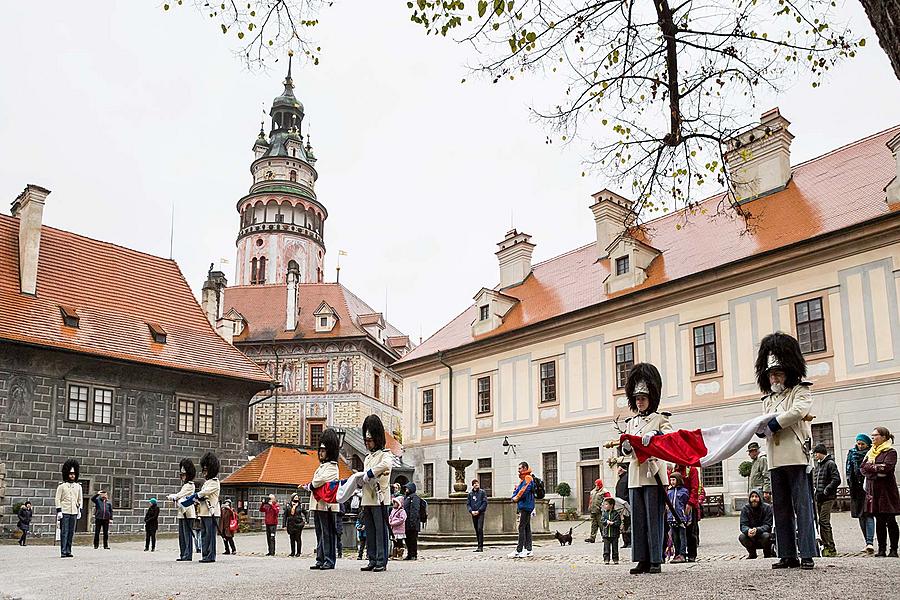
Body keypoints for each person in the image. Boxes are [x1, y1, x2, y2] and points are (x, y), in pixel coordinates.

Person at [755, 332, 816, 570]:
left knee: (802, 507)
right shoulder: (767, 399)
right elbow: (762, 421)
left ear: (788, 373)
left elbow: (798, 411)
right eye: (771, 374)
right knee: (780, 510)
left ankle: (808, 553)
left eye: (778, 373)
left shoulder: (799, 391)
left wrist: (773, 424)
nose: (774, 377)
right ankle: (787, 553)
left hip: (795, 454)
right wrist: (761, 429)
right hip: (774, 458)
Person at [620, 363, 672, 575]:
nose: (639, 402)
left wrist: (656, 436)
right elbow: (629, 451)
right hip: (635, 474)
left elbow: (669, 440)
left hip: (653, 473)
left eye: (643, 398)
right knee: (638, 519)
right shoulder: (631, 422)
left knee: (654, 518)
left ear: (651, 398)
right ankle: (641, 558)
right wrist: (625, 447)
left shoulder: (661, 419)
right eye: (637, 399)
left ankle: (655, 559)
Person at [360, 415, 393, 572]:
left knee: (380, 531)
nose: (368, 443)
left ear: (377, 439)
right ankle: (372, 559)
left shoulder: (384, 454)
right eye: (366, 441)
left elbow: (386, 465)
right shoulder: (367, 457)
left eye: (370, 440)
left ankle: (381, 560)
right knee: (370, 531)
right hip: (367, 498)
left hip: (380, 498)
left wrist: (371, 473)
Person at [861, 426, 900, 557]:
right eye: (872, 435)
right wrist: (875, 472)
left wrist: (872, 468)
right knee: (879, 520)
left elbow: (887, 468)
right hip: (874, 491)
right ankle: (881, 549)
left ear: (883, 437)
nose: (873, 438)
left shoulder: (890, 452)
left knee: (890, 520)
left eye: (875, 435)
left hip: (887, 492)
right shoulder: (870, 452)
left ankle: (893, 549)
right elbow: (863, 468)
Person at [308, 428, 341, 570]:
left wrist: (311, 485)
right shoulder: (322, 467)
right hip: (317, 504)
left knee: (328, 533)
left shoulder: (333, 467)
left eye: (323, 450)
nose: (321, 453)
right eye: (320, 450)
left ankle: (329, 559)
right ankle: (320, 558)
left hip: (327, 505)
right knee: (320, 532)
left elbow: (318, 481)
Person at [846, 433, 876, 554]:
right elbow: (848, 469)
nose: (860, 446)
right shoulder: (851, 453)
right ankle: (866, 542)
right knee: (860, 515)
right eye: (858, 443)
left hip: (867, 488)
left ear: (867, 444)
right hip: (856, 488)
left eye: (862, 444)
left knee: (868, 514)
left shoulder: (871, 453)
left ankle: (870, 542)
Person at [813, 443, 841, 557]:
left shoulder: (830, 464)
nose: (815, 455)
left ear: (820, 453)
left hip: (828, 497)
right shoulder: (819, 465)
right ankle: (825, 546)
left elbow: (836, 479)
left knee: (824, 521)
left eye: (816, 453)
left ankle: (831, 547)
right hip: (819, 497)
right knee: (821, 522)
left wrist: (826, 490)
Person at [196, 452, 221, 563]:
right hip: (204, 511)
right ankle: (205, 554)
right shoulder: (207, 482)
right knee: (204, 534)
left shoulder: (215, 482)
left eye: (206, 471)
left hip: (212, 512)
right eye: (203, 470)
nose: (204, 473)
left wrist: (197, 495)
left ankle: (211, 555)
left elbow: (205, 493)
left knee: (210, 535)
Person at [55, 459, 83, 559]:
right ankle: (63, 551)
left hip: (74, 511)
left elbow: (80, 499)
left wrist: (80, 510)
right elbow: (58, 499)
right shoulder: (62, 486)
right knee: (64, 532)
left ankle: (69, 550)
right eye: (70, 474)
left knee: (71, 532)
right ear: (67, 474)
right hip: (65, 511)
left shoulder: (78, 487)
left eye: (74, 474)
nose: (72, 476)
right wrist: (59, 511)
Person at [673, 464, 701, 562]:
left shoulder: (691, 470)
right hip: (677, 506)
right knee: (676, 531)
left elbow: (695, 488)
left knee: (690, 531)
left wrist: (690, 503)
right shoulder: (674, 469)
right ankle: (679, 553)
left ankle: (691, 554)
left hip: (688, 505)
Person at [738, 488, 774, 559]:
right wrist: (748, 530)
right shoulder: (745, 509)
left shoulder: (767, 508)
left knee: (766, 536)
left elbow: (768, 525)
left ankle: (767, 553)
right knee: (742, 537)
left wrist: (757, 530)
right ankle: (752, 553)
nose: (754, 499)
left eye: (756, 496)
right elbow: (743, 524)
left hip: (763, 535)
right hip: (751, 535)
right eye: (752, 497)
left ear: (760, 498)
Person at [509, 461, 535, 558]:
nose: (518, 470)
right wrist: (514, 496)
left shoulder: (528, 478)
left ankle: (520, 550)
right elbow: (518, 490)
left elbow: (524, 490)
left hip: (526, 506)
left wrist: (516, 498)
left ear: (524, 468)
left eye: (520, 468)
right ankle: (529, 549)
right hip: (525, 505)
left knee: (521, 527)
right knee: (527, 527)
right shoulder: (523, 479)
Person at [666, 472, 690, 563]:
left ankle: (683, 553)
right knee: (675, 537)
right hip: (671, 518)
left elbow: (686, 505)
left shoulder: (684, 491)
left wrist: (688, 517)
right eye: (671, 480)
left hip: (681, 517)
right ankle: (677, 554)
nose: (672, 482)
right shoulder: (670, 491)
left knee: (682, 536)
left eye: (674, 480)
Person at [585, 478, 611, 543]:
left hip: (600, 511)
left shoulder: (605, 491)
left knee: (602, 524)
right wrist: (589, 507)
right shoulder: (593, 491)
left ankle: (604, 536)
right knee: (593, 524)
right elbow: (591, 500)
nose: (596, 485)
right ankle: (592, 537)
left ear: (600, 484)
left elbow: (609, 500)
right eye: (595, 484)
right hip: (593, 510)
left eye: (597, 484)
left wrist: (605, 508)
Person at [403, 482, 423, 560]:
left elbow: (415, 510)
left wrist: (413, 521)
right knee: (407, 539)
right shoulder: (406, 497)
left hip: (413, 523)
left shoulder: (415, 497)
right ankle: (409, 554)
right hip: (406, 522)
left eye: (407, 488)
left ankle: (414, 554)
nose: (406, 489)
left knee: (413, 539)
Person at [467, 479, 488, 552]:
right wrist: (471, 511)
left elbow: (485, 502)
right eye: (475, 484)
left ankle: (481, 546)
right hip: (473, 513)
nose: (477, 485)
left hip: (480, 513)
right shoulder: (470, 494)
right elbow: (468, 504)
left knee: (479, 528)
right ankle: (478, 545)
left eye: (477, 484)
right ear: (473, 485)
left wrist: (479, 510)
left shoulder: (482, 492)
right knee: (476, 529)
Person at [283, 493, 307, 557]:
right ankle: (292, 552)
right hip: (290, 524)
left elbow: (306, 513)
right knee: (292, 539)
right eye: (295, 497)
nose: (296, 498)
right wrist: (284, 525)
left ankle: (298, 552)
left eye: (297, 497)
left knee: (298, 538)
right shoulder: (288, 505)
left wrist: (306, 521)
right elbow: (285, 515)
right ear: (292, 498)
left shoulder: (300, 505)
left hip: (298, 524)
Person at [614, 463, 632, 548]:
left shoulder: (627, 477)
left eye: (620, 469)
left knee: (628, 522)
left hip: (626, 504)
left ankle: (629, 541)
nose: (618, 471)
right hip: (620, 505)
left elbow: (627, 492)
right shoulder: (620, 479)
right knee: (623, 523)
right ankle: (625, 541)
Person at [600, 497, 621, 565]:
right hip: (606, 534)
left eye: (606, 504)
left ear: (611, 505)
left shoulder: (616, 514)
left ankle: (615, 559)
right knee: (606, 548)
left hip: (614, 534)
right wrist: (606, 521)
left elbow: (618, 522)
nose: (604, 506)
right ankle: (606, 559)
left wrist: (613, 523)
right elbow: (602, 520)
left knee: (615, 548)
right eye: (604, 504)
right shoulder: (604, 513)